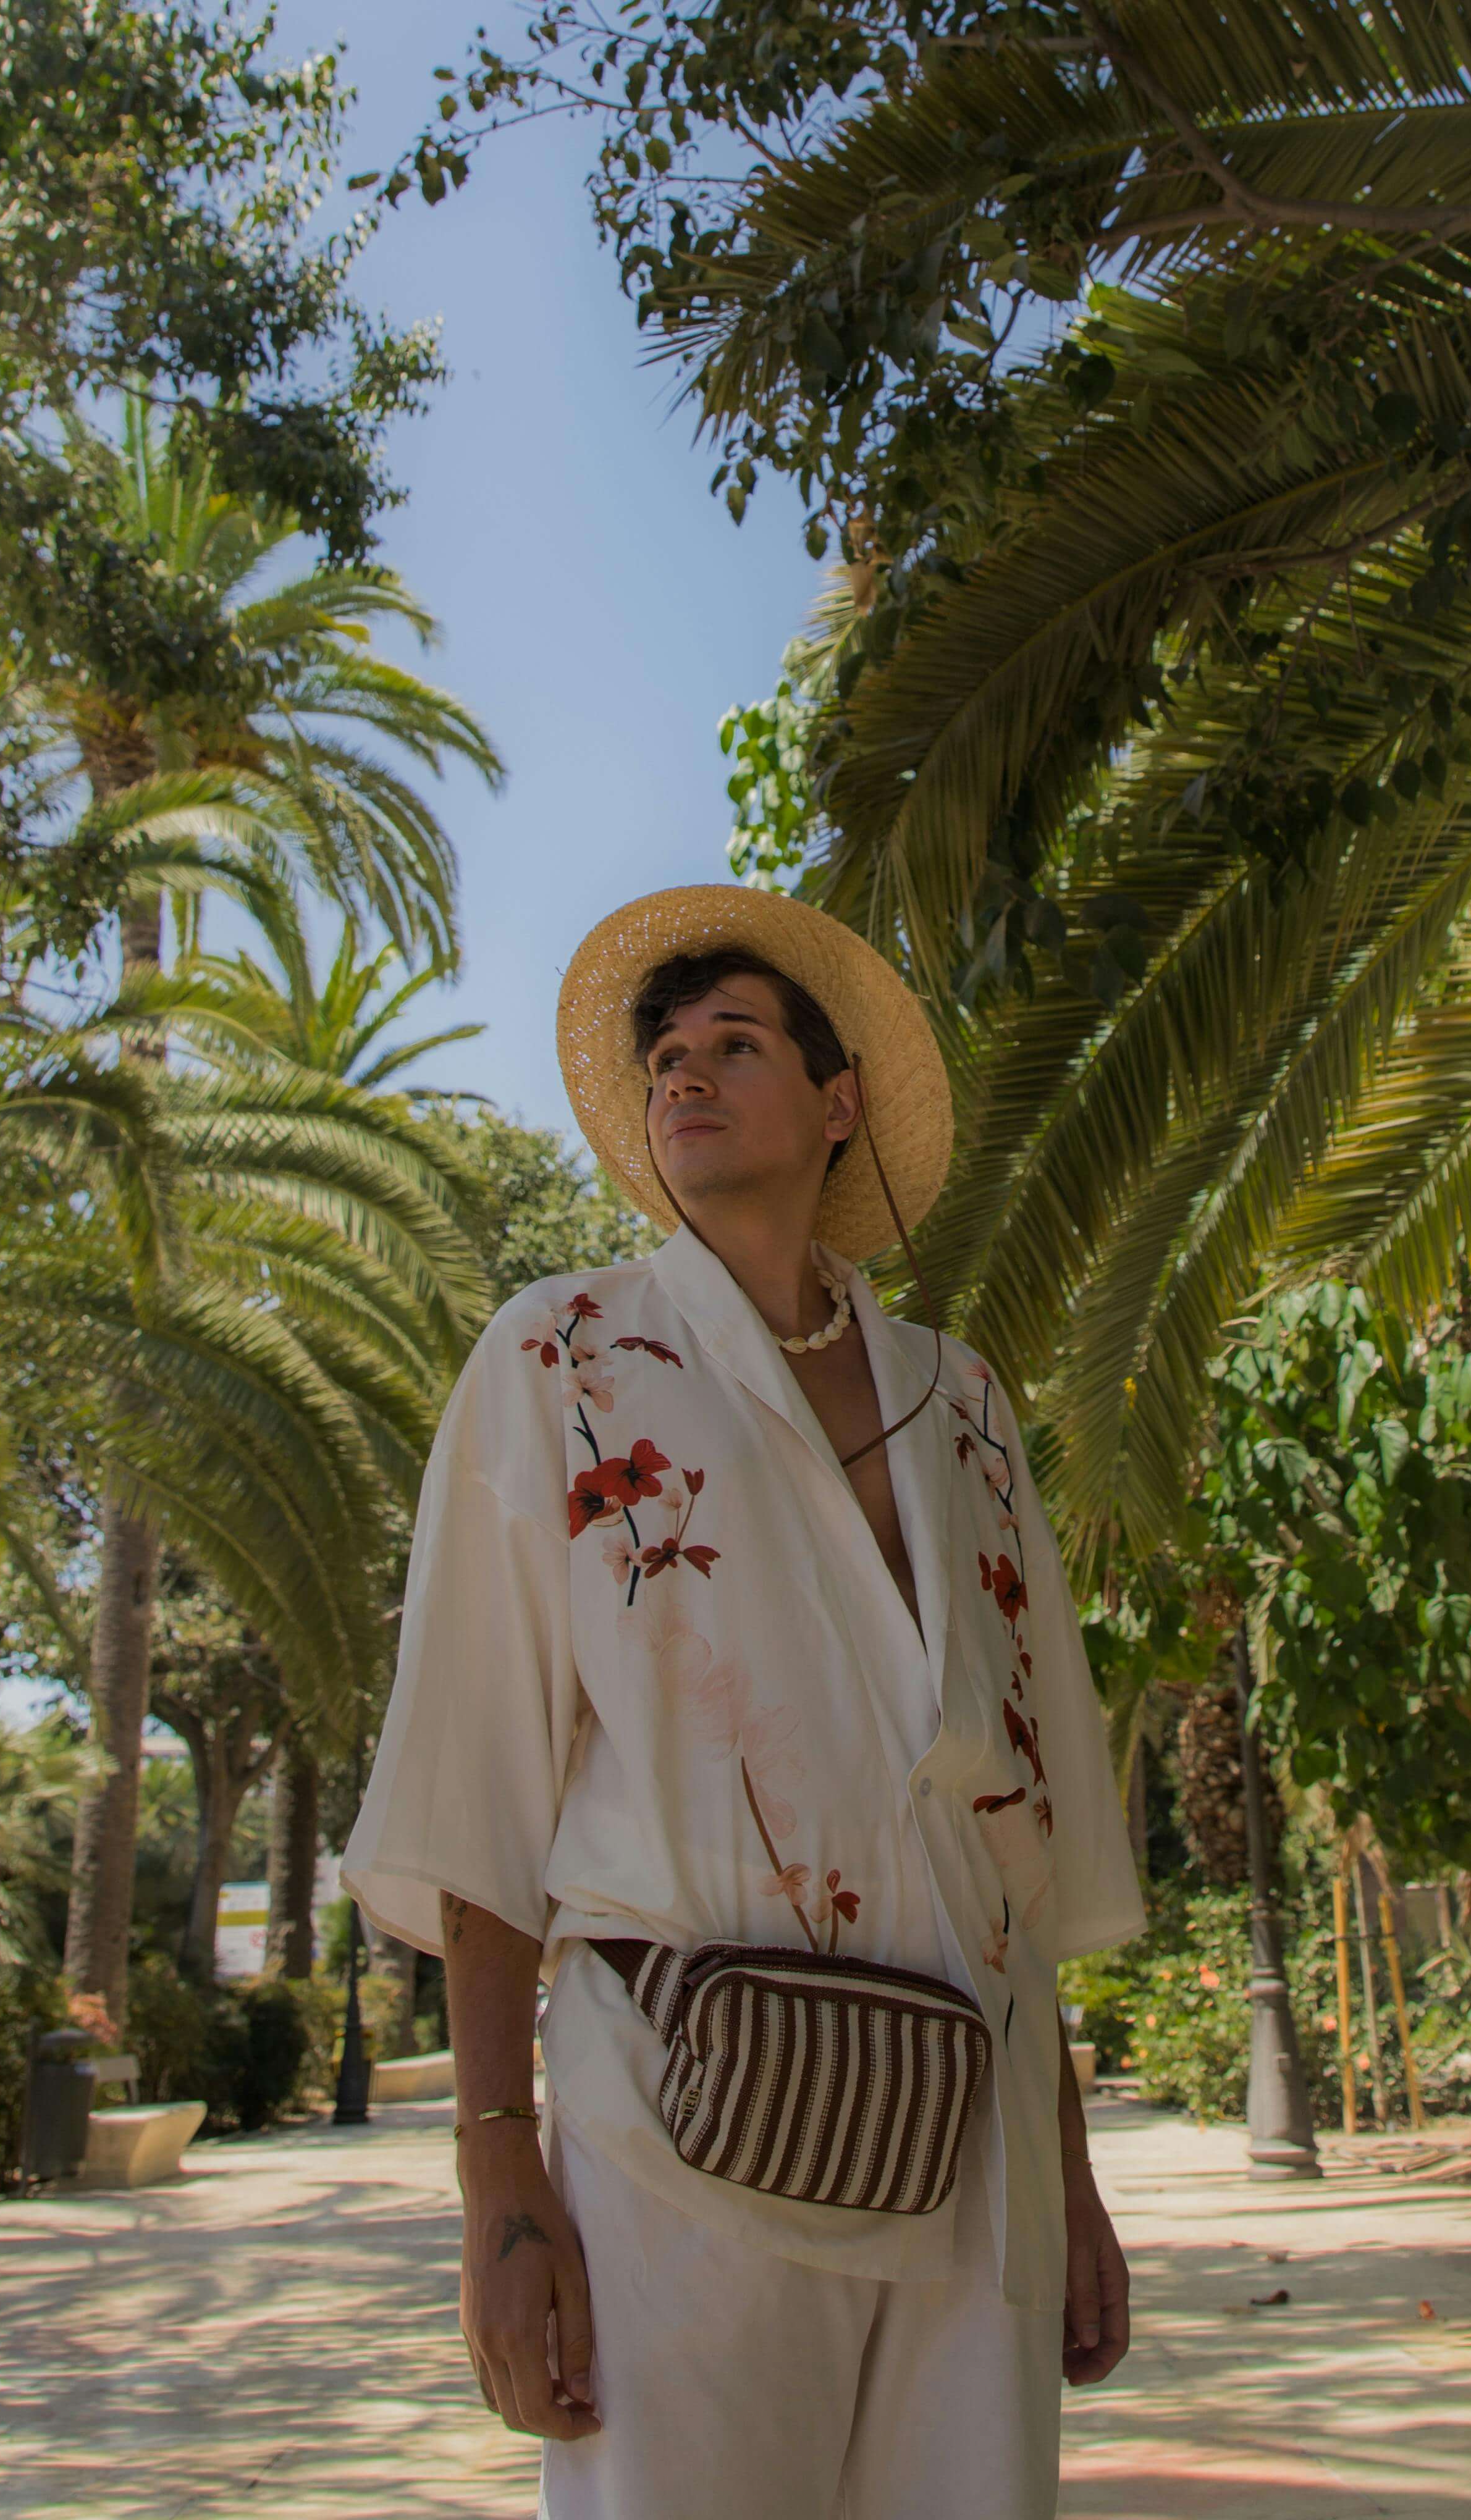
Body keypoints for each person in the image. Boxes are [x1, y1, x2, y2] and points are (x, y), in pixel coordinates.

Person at [344, 884, 1144, 2519]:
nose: (684, 1076)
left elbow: (1016, 1805)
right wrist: (499, 2175)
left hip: (974, 2134)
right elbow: (480, 1777)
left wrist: (1067, 2174)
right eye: (665, 1060)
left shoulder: (962, 1404)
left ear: (839, 1104)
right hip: (679, 2124)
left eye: (734, 1044)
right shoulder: (562, 1361)